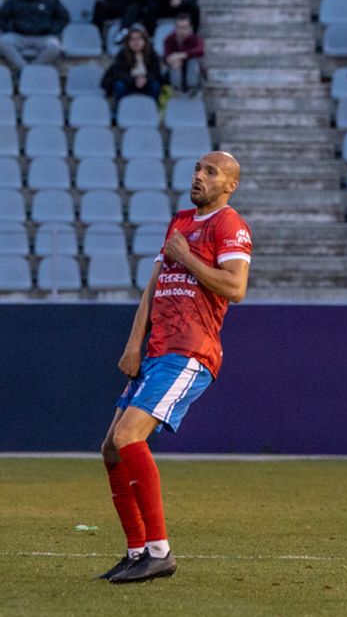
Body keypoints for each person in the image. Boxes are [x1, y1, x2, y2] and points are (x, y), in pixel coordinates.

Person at [99, 153, 251, 584]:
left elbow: (236, 287)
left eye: (211, 172)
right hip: (155, 351)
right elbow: (153, 286)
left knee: (128, 436)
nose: (199, 176)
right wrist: (133, 344)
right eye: (198, 170)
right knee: (110, 449)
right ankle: (134, 553)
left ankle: (159, 551)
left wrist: (186, 258)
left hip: (190, 350)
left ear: (230, 185)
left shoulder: (229, 225)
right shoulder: (180, 221)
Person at [0, 0, 69, 70]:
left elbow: (64, 17)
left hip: (43, 37)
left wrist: (52, 30)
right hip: (20, 36)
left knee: (55, 46)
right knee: (2, 42)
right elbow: (0, 18)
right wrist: (11, 28)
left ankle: (30, 70)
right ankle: (25, 69)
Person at [103, 26, 164, 101]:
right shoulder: (122, 54)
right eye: (132, 39)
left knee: (155, 86)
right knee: (119, 85)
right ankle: (119, 108)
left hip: (146, 82)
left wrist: (145, 78)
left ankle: (154, 108)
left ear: (144, 40)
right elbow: (119, 72)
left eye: (139, 39)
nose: (136, 42)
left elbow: (155, 72)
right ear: (128, 42)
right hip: (128, 82)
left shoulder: (152, 53)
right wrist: (134, 80)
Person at [162, 15, 205, 95]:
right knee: (174, 64)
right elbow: (166, 57)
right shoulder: (169, 39)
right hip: (176, 68)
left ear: (190, 28)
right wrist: (172, 60)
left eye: (185, 27)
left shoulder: (196, 39)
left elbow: (200, 50)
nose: (182, 31)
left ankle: (192, 88)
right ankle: (176, 89)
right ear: (175, 28)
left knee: (193, 61)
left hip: (191, 70)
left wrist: (181, 55)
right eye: (179, 27)